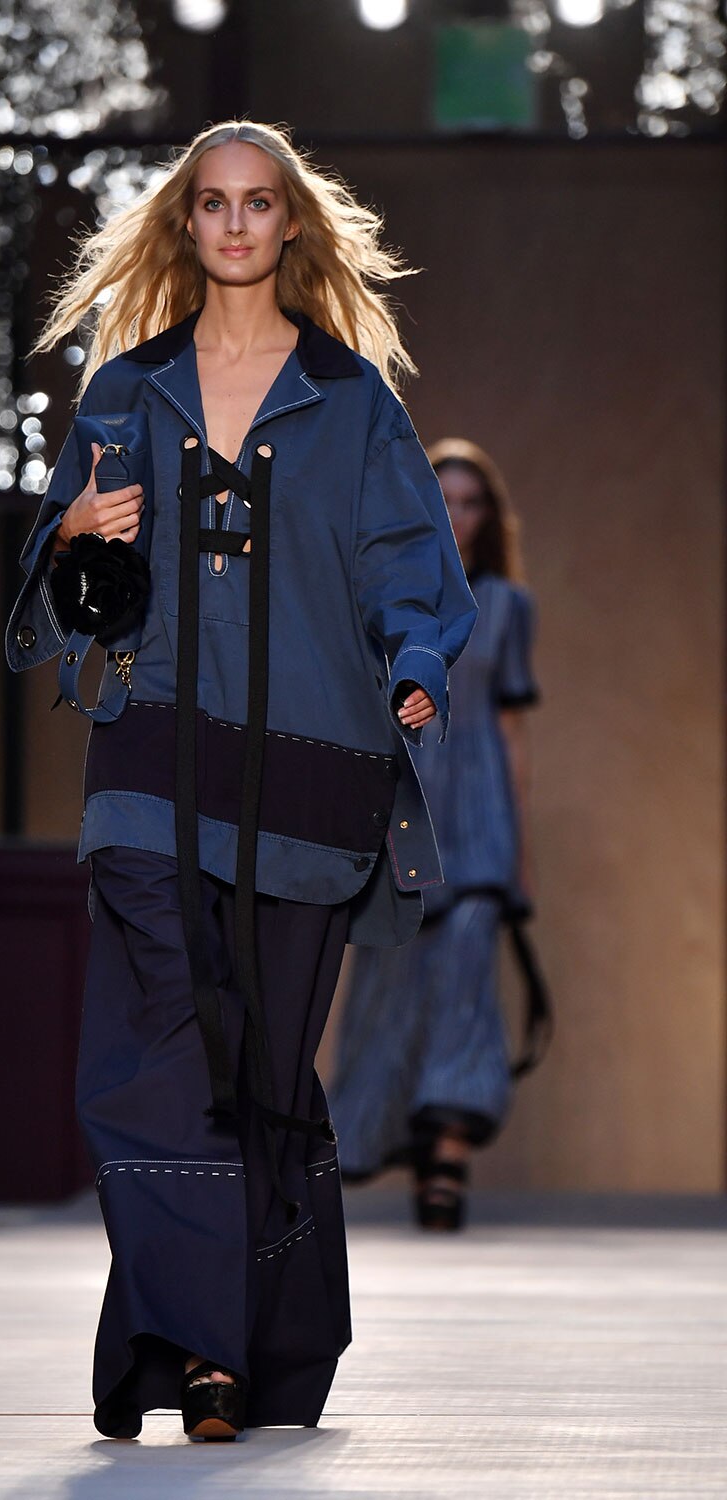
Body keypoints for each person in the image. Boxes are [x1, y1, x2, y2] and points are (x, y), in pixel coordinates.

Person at [5, 121, 476, 1442]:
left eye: (257, 203)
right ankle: (204, 1356)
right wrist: (75, 537)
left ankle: (249, 1355)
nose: (232, 225)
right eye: (209, 204)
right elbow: (68, 599)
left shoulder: (356, 404)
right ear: (183, 225)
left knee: (262, 1069)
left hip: (315, 771)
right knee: (157, 1046)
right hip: (153, 758)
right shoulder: (123, 392)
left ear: (290, 227)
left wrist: (416, 661)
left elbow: (407, 573)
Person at [329, 438, 540, 1232]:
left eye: (472, 501)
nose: (457, 515)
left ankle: (447, 1154)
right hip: (403, 814)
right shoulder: (385, 602)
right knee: (390, 993)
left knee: (466, 987)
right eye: (443, 499)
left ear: (490, 516)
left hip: (481, 822)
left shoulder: (511, 608)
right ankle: (403, 1138)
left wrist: (519, 853)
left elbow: (515, 732)